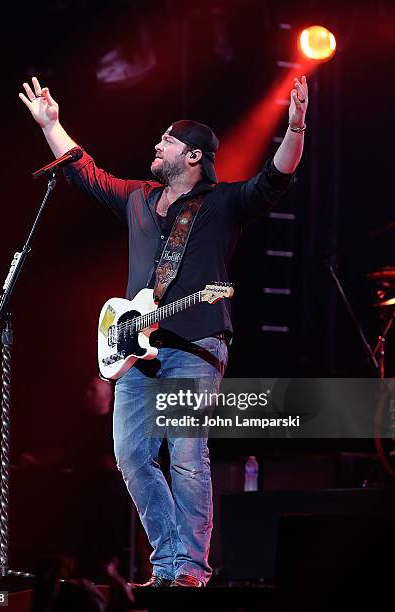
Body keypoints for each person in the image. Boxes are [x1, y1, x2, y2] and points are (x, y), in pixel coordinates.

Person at [19, 74, 308, 587]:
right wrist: (53, 125)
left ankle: (190, 570)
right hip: (136, 350)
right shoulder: (136, 198)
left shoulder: (222, 203)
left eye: (168, 140)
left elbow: (273, 181)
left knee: (187, 454)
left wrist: (296, 129)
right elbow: (86, 173)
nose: (157, 144)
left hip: (195, 343)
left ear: (194, 156)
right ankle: (170, 557)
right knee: (131, 454)